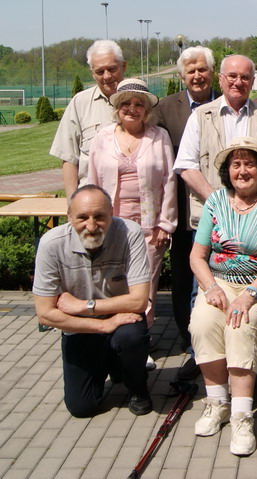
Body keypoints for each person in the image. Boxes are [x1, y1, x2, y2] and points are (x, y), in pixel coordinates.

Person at [188, 136, 257, 456]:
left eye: (249, 164)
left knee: (239, 325)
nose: (242, 171)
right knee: (202, 323)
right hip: (219, 283)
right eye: (236, 164)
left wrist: (249, 295)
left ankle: (242, 416)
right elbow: (197, 256)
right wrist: (211, 287)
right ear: (227, 171)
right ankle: (217, 402)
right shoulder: (216, 201)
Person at [33, 185, 152, 417]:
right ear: (69, 216)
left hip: (121, 319)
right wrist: (103, 325)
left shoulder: (130, 233)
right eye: (82, 217)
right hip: (80, 327)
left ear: (111, 213)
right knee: (81, 407)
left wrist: (83, 306)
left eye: (99, 216)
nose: (91, 225)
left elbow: (139, 301)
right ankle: (111, 362)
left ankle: (138, 387)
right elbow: (45, 314)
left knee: (131, 338)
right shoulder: (51, 244)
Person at [87, 78, 177, 333]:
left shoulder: (159, 136)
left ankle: (141, 337)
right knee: (112, 281)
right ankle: (111, 334)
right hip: (111, 225)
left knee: (146, 284)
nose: (132, 109)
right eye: (126, 103)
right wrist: (93, 220)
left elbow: (170, 180)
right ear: (117, 107)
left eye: (139, 104)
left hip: (150, 226)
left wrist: (165, 224)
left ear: (146, 110)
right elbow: (92, 180)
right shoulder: (102, 137)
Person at [174, 54, 257, 229]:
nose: (238, 82)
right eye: (232, 76)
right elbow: (186, 166)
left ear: (252, 82)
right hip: (210, 217)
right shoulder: (200, 116)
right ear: (220, 79)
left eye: (244, 77)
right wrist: (220, 205)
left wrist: (254, 202)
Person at [151, 45, 216, 364]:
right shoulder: (165, 108)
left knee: (215, 270)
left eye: (202, 69)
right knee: (183, 273)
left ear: (212, 72)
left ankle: (212, 336)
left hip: (221, 206)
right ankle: (188, 336)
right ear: (182, 76)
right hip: (181, 206)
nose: (197, 75)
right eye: (191, 71)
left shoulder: (226, 103)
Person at [50, 40, 127, 196]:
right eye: (100, 71)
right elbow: (69, 158)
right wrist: (72, 201)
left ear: (123, 66)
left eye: (112, 69)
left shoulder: (141, 102)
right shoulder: (80, 103)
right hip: (91, 200)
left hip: (130, 199)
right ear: (92, 73)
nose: (107, 76)